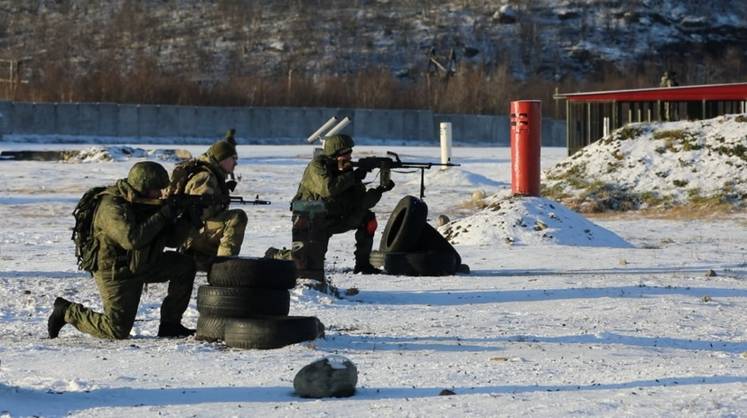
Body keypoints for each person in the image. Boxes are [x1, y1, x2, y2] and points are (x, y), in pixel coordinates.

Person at [48, 161, 197, 339]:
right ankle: (67, 311)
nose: (160, 194)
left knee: (185, 266)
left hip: (142, 262)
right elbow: (131, 239)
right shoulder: (111, 206)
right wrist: (164, 214)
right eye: (156, 189)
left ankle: (170, 324)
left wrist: (189, 219)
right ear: (142, 187)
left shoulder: (147, 203)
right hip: (116, 271)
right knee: (116, 330)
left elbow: (172, 240)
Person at [286, 134, 394, 279]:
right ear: (333, 155)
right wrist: (354, 176)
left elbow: (361, 202)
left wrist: (380, 189)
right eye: (345, 154)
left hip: (334, 217)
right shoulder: (317, 166)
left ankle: (363, 265)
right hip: (310, 220)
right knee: (304, 262)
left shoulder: (346, 171)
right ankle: (276, 255)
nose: (349, 157)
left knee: (367, 218)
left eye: (350, 153)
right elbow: (327, 188)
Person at [177, 139, 248, 268]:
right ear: (222, 158)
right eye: (233, 158)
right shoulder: (206, 177)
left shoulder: (212, 174)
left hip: (192, 234)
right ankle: (224, 267)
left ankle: (203, 258)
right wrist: (218, 201)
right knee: (237, 217)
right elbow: (198, 213)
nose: (235, 163)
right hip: (191, 235)